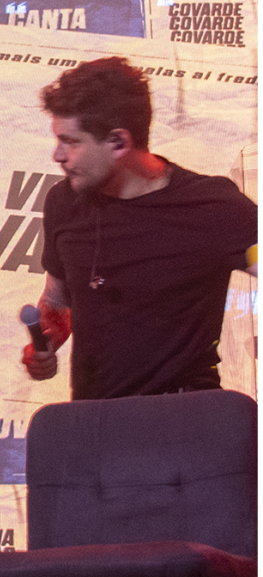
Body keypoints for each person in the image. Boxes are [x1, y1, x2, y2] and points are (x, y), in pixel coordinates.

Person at [22, 57, 257, 399]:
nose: (57, 155)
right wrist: (45, 342)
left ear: (119, 142)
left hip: (181, 415)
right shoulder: (64, 202)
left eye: (71, 141)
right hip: (96, 417)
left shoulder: (212, 207)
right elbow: (58, 299)